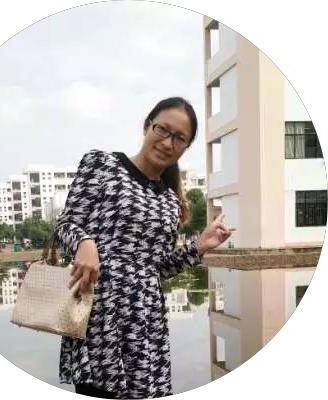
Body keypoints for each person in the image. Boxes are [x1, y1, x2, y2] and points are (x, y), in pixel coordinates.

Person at [55, 97, 235, 399]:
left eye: (179, 138)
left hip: (145, 323)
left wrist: (199, 246)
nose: (167, 142)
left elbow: (157, 269)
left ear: (185, 147)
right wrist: (85, 243)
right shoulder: (102, 165)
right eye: (162, 130)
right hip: (98, 314)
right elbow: (66, 225)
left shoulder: (171, 203)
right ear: (147, 126)